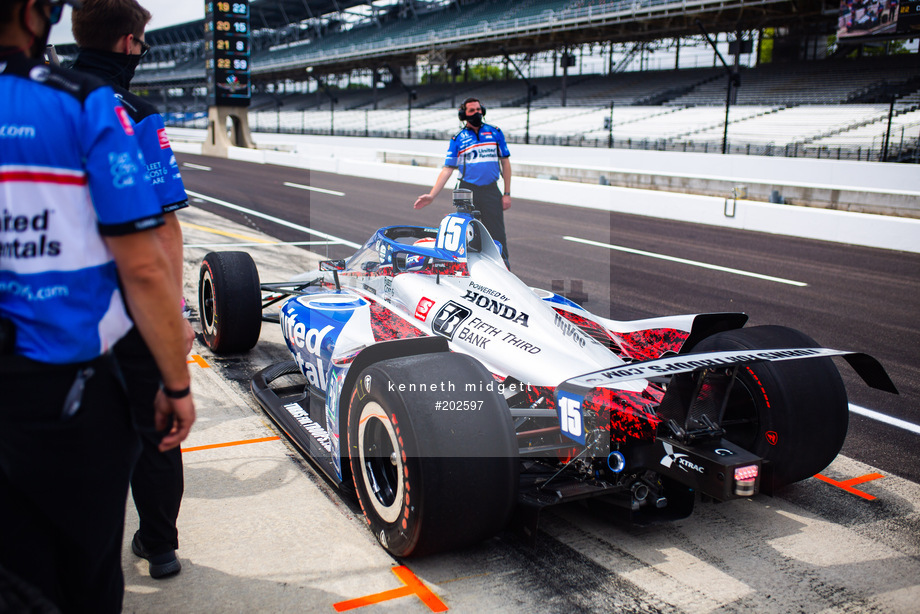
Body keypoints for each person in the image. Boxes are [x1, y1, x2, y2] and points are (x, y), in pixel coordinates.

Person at [0, 0, 195, 611]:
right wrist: (176, 371)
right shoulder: (90, 103)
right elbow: (149, 248)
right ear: (36, 15)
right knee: (83, 568)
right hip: (73, 361)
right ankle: (158, 545)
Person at [70, 0, 193, 580]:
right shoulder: (132, 112)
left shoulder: (31, 100)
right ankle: (159, 545)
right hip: (132, 306)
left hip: (51, 310)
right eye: (142, 43)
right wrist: (174, 309)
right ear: (127, 43)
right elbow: (164, 222)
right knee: (158, 430)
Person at [413, 97, 512, 264]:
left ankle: (505, 267)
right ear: (463, 114)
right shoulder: (458, 138)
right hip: (467, 191)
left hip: (491, 190)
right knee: (466, 233)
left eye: (479, 110)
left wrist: (507, 193)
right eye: (472, 111)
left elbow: (505, 162)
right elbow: (448, 169)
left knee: (497, 234)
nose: (477, 113)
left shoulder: (495, 132)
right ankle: (464, 269)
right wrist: (432, 195)